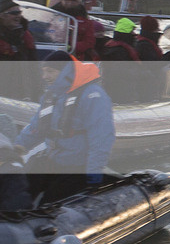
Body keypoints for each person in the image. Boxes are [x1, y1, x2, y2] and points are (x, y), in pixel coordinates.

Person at [1, 53, 116, 210]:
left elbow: (101, 139)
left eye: (50, 71)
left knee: (49, 206)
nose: (44, 76)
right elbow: (36, 127)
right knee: (18, 189)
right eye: (43, 71)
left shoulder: (93, 96)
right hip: (51, 159)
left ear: (65, 70)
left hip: (75, 167)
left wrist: (93, 175)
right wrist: (18, 148)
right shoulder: (52, 95)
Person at [0, 0, 40, 103]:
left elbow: (33, 65)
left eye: (19, 12)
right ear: (2, 16)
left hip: (19, 87)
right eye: (13, 13)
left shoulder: (25, 35)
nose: (18, 16)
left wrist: (35, 91)